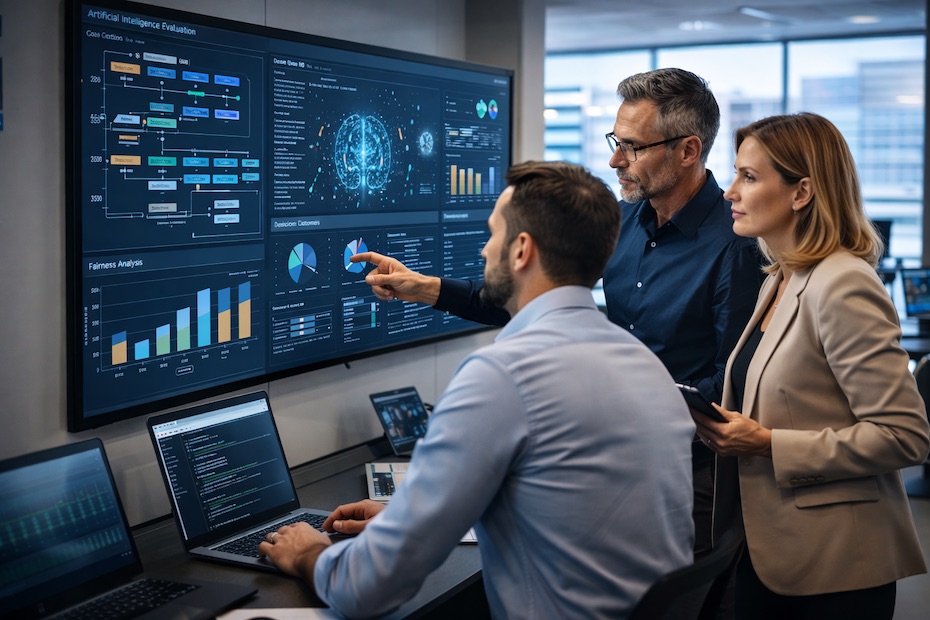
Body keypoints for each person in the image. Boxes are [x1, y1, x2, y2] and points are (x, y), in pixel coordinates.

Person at [351, 68, 764, 557]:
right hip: (607, 456)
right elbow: (541, 297)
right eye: (616, 140)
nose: (615, 160)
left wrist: (631, 409)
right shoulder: (624, 219)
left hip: (683, 473)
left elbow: (734, 380)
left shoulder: (735, 245)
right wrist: (426, 289)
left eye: (633, 147)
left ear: (688, 151)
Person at [259, 161, 696, 619]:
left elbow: (367, 587)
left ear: (521, 249)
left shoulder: (503, 376)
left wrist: (310, 553)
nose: (486, 250)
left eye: (492, 233)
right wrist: (411, 520)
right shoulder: (643, 363)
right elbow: (573, 509)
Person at [693, 112, 930, 620]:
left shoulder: (843, 282)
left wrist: (768, 444)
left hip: (834, 567)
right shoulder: (780, 278)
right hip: (767, 551)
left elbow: (904, 436)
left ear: (801, 193)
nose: (730, 192)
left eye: (749, 177)